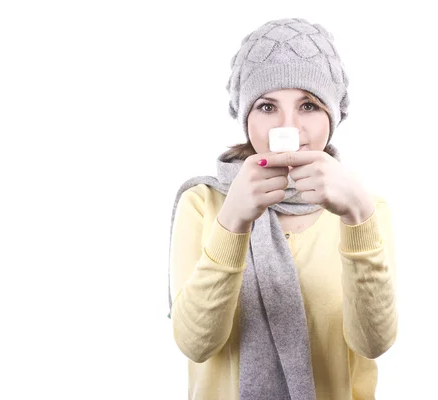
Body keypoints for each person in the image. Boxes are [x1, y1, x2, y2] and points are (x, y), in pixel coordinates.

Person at [167, 17, 398, 400]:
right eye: (267, 106)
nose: (287, 127)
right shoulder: (203, 203)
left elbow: (373, 344)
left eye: (308, 105)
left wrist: (357, 217)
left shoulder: (366, 208)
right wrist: (233, 222)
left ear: (332, 115)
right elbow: (196, 345)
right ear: (245, 116)